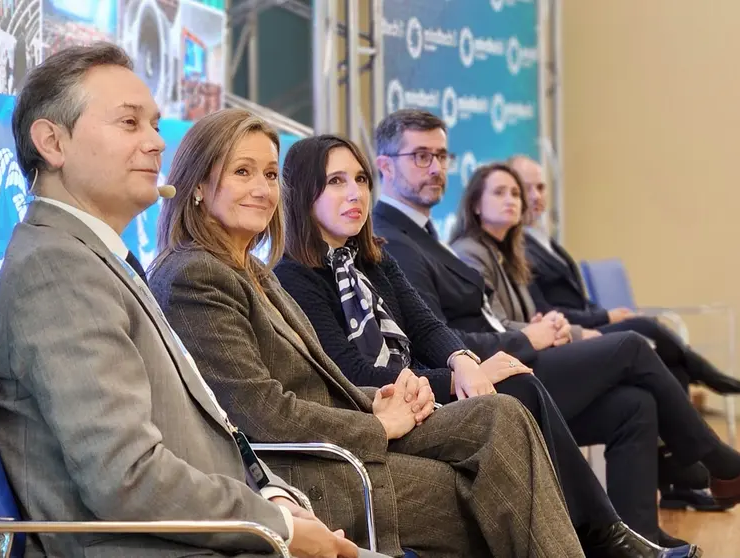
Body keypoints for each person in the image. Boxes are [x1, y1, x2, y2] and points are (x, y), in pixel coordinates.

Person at [0, 42, 384, 558]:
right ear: (52, 142)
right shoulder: (58, 269)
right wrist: (277, 525)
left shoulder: (91, 258)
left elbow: (201, 431)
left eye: (154, 123)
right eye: (129, 124)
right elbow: (126, 476)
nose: (156, 143)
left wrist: (274, 494)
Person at [147, 107, 585, 558]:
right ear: (198, 185)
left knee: (501, 414)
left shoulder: (252, 269)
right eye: (243, 172)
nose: (262, 189)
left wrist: (377, 399)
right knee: (477, 489)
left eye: (271, 174)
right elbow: (262, 414)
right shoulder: (195, 275)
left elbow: (328, 377)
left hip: (337, 435)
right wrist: (376, 422)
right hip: (298, 467)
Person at [271, 133, 701, 557]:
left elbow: (427, 327)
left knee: (539, 384)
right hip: (382, 409)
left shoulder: (373, 258)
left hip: (422, 391)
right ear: (303, 190)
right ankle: (605, 537)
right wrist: (452, 380)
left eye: (361, 181)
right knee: (522, 387)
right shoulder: (294, 274)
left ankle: (605, 536)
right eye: (336, 182)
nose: (355, 194)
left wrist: (463, 362)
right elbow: (353, 375)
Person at [370, 109, 740, 551]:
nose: (435, 168)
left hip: (511, 357)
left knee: (633, 405)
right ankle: (719, 463)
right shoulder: (392, 240)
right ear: (385, 165)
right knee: (630, 345)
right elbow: (438, 338)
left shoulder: (424, 235)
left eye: (443, 156)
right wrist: (529, 337)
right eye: (421, 156)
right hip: (489, 375)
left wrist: (538, 329)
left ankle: (641, 539)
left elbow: (476, 318)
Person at [508, 154, 740, 397]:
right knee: (643, 326)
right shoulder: (518, 248)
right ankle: (706, 373)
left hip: (586, 322)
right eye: (526, 189)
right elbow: (543, 310)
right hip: (568, 334)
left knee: (673, 366)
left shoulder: (545, 241)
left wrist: (609, 316)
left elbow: (578, 298)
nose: (536, 196)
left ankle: (689, 395)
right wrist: (606, 316)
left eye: (541, 187)